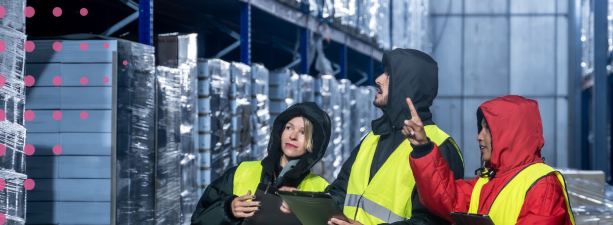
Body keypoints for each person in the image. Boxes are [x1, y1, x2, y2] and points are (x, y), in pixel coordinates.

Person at [323, 49, 465, 225]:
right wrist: (305, 203)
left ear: (407, 85)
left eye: (388, 75)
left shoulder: (439, 147)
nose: (378, 79)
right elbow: (341, 190)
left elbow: (430, 222)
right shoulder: (373, 138)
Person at [402, 95, 576, 225]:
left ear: (510, 135)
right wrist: (423, 148)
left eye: (487, 129)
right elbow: (447, 198)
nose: (479, 137)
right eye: (481, 128)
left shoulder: (543, 185)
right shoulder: (487, 182)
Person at [190, 102, 332, 225]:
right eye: (289, 127)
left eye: (303, 133)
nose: (292, 136)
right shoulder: (241, 172)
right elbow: (198, 219)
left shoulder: (321, 190)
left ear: (315, 143)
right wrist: (227, 210)